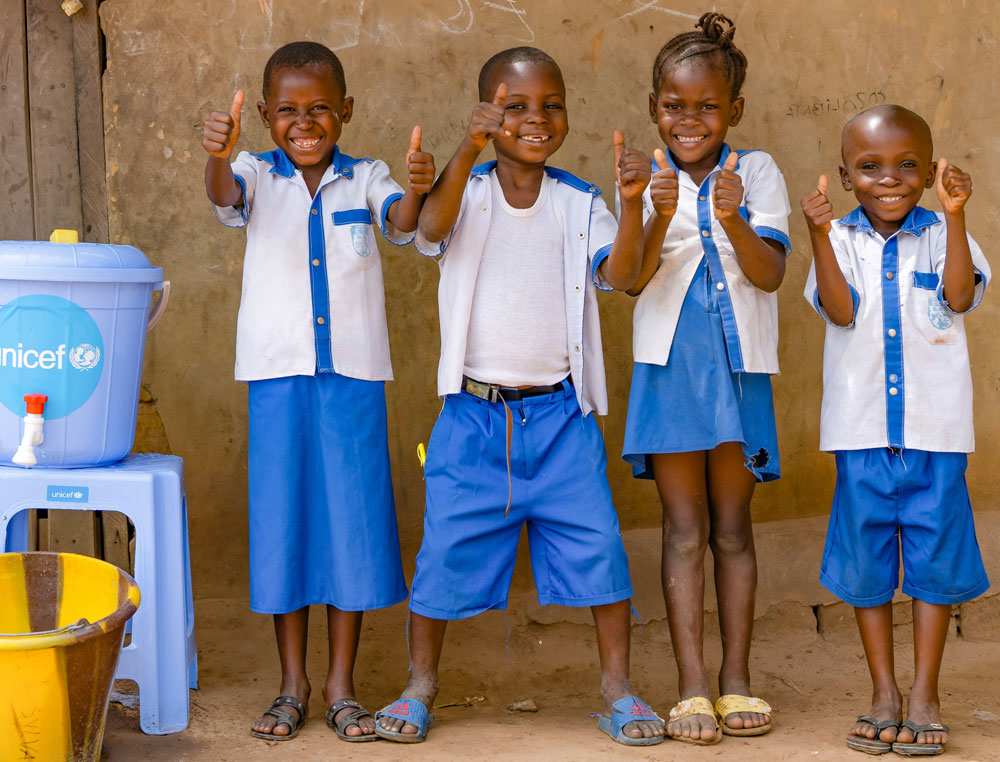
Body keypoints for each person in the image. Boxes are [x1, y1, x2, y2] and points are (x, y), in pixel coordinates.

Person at [373, 46, 665, 746]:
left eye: (551, 105)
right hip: (473, 418)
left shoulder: (577, 201)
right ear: (487, 115)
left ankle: (617, 690)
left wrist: (632, 209)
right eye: (515, 107)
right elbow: (429, 228)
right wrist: (465, 148)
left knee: (600, 551)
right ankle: (420, 685)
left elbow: (622, 276)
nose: (536, 120)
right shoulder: (466, 190)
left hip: (562, 418)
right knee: (443, 554)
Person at [201, 40, 434, 742]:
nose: (305, 123)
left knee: (352, 531)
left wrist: (419, 186)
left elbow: (399, 220)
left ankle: (341, 685)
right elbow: (223, 195)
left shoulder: (367, 177)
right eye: (288, 111)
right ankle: (291, 683)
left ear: (347, 111)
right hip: (277, 378)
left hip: (353, 381)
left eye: (321, 109)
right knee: (285, 526)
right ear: (267, 115)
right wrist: (217, 152)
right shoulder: (251, 172)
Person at [615, 12, 790, 745]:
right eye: (673, 107)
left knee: (732, 529)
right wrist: (645, 213)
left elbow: (771, 272)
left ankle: (735, 679)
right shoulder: (641, 176)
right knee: (682, 530)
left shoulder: (760, 172)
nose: (690, 120)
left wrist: (735, 216)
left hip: (738, 369)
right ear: (655, 108)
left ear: (734, 111)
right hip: (669, 373)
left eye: (707, 107)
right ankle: (690, 686)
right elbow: (628, 281)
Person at [801, 104, 990, 756]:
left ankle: (925, 694)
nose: (891, 179)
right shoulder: (843, 240)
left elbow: (960, 297)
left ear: (931, 169)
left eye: (909, 165)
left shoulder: (942, 232)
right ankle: (883, 691)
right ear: (847, 176)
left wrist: (958, 213)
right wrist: (820, 236)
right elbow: (839, 309)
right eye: (871, 167)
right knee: (867, 568)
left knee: (935, 567)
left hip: (936, 435)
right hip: (859, 435)